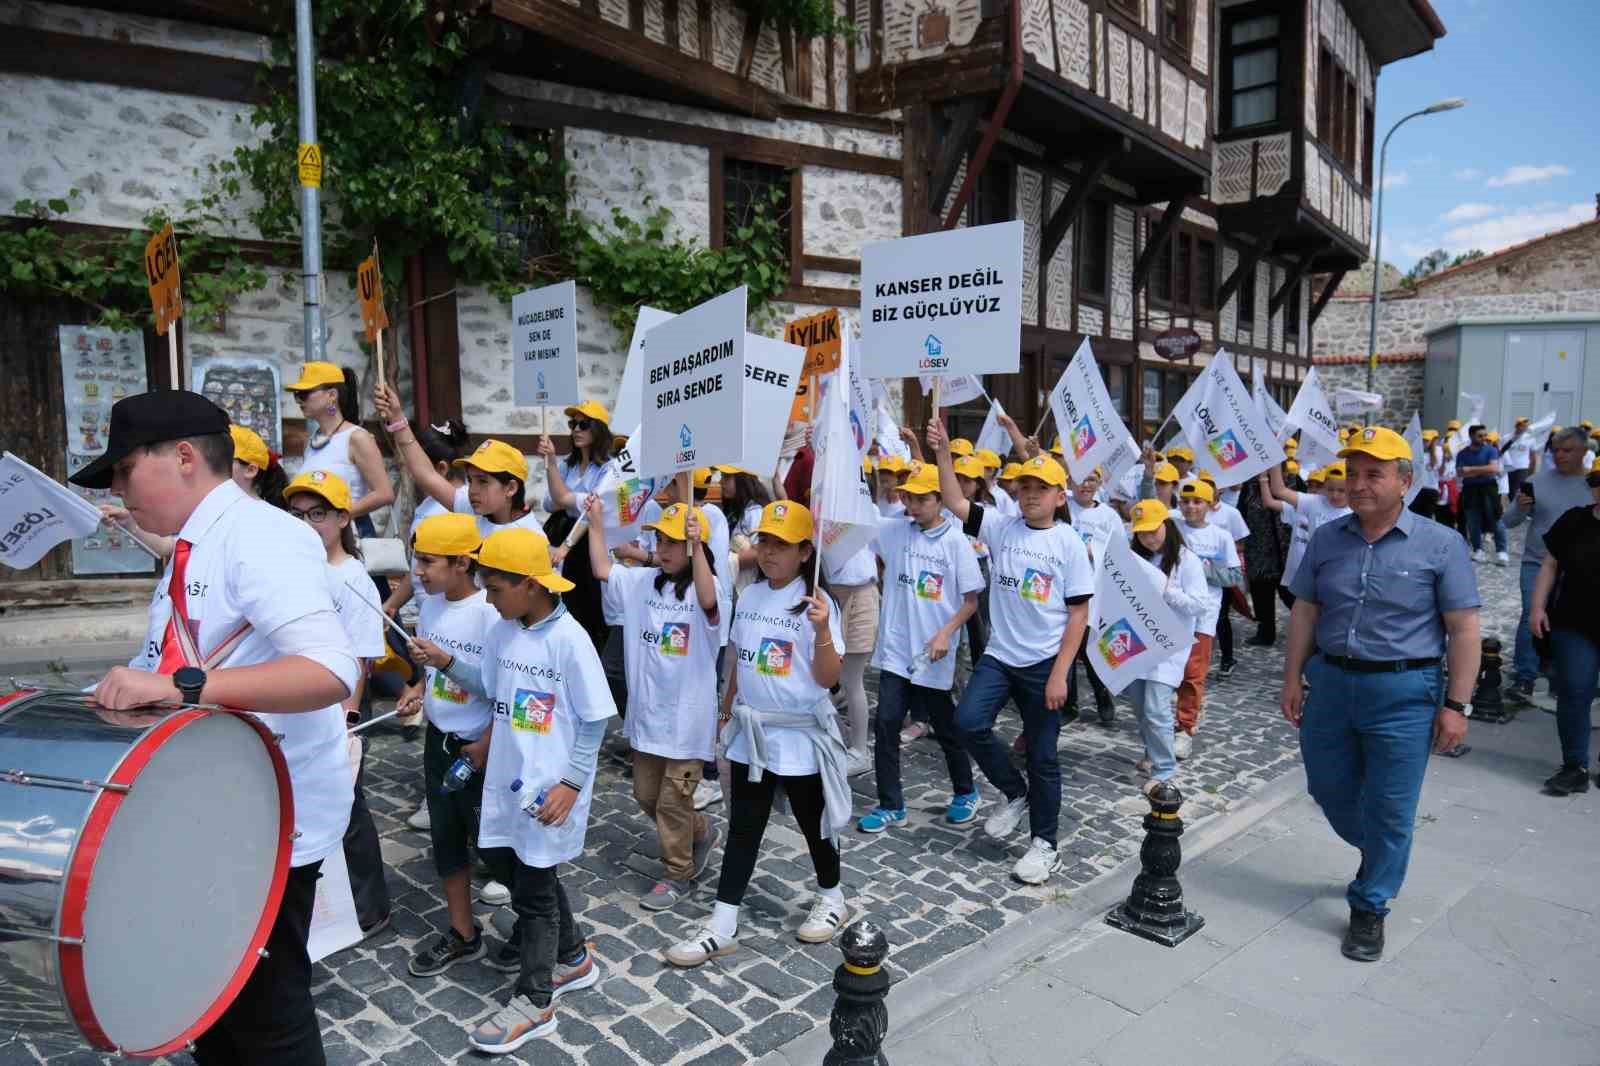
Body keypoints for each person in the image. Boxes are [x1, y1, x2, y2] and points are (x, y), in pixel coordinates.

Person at [76, 390, 359, 1065]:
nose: (117, 488)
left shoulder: (259, 536)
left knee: (266, 1016)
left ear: (180, 458)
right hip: (218, 810)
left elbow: (329, 669)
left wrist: (177, 688)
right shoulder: (194, 545)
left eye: (123, 470)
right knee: (213, 1008)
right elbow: (170, 660)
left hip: (267, 819)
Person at [1280, 426, 1481, 963]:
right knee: (1327, 786)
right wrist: (1291, 676)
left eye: (1374, 474)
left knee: (1392, 806)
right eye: (1353, 473)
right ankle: (1379, 851)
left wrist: (1457, 706)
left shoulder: (1442, 544)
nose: (1359, 484)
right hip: (1332, 685)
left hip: (1405, 692)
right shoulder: (1327, 538)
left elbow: (1463, 629)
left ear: (1406, 481)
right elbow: (1305, 609)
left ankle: (1370, 904)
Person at [664, 501, 852, 967]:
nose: (769, 553)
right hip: (753, 732)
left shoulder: (816, 606)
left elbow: (829, 678)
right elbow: (740, 664)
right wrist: (727, 712)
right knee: (745, 825)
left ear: (805, 552)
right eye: (764, 541)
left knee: (815, 822)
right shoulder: (749, 596)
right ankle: (723, 921)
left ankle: (832, 895)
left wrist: (824, 629)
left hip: (800, 735)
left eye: (782, 545)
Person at [929, 417, 1093, 886]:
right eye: (1023, 488)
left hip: (1045, 664)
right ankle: (1013, 793)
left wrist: (1062, 673)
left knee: (1044, 756)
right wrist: (941, 453)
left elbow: (1078, 615)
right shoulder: (1001, 528)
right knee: (967, 723)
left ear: (1060, 497)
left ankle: (1045, 844)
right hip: (1002, 655)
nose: (1029, 495)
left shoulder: (1068, 544)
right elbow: (957, 501)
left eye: (1040, 489)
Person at [468, 527, 612, 1054]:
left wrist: (571, 785)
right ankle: (573, 956)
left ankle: (537, 1000)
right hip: (506, 779)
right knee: (502, 859)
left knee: (532, 890)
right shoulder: (504, 629)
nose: (488, 596)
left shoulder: (569, 641)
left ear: (530, 585)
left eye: (496, 586)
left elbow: (595, 720)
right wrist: (442, 663)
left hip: (548, 789)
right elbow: (492, 690)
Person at [585, 497, 723, 909]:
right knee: (646, 795)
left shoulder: (709, 592)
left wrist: (698, 548)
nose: (662, 548)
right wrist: (595, 523)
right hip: (647, 719)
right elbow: (602, 569)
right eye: (659, 539)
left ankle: (677, 874)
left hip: (687, 723)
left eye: (673, 542)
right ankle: (699, 831)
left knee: (671, 801)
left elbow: (708, 600)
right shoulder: (643, 582)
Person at [282, 470, 392, 939]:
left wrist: (348, 723)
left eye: (319, 514)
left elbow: (362, 661)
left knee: (348, 806)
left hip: (339, 711)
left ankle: (371, 906)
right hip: (297, 704)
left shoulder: (354, 580)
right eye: (299, 515)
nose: (308, 524)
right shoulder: (290, 566)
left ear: (344, 518)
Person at [400, 513, 505, 977]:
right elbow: (429, 669)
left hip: (482, 748)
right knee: (445, 839)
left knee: (497, 846)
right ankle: (464, 933)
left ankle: (536, 929)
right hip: (438, 741)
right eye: (416, 560)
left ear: (462, 563)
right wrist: (418, 688)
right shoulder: (431, 605)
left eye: (427, 562)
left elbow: (501, 689)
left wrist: (485, 741)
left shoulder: (491, 614)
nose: (417, 572)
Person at [858, 463, 983, 834]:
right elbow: (857, 514)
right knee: (886, 725)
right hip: (897, 649)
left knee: (945, 726)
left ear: (940, 501)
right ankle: (890, 804)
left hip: (933, 653)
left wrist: (946, 633)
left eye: (922, 499)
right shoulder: (894, 530)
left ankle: (965, 791)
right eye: (908, 498)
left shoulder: (956, 541)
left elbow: (971, 600)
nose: (912, 506)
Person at [101, 422, 291, 557]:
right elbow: (169, 547)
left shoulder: (269, 524)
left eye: (223, 460)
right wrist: (128, 522)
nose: (208, 466)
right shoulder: (208, 514)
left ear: (251, 469)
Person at [1503, 427, 1594, 706]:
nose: (1560, 455)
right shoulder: (1537, 481)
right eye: (1556, 450)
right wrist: (1518, 506)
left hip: (1576, 568)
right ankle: (1525, 674)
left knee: (1566, 620)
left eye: (1567, 450)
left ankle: (1559, 674)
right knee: (1532, 613)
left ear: (1583, 452)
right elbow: (1509, 521)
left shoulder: (1592, 485)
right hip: (1536, 561)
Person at [1125, 499, 1208, 790]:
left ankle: (1164, 767)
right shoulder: (1136, 558)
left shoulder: (1188, 561)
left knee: (1155, 706)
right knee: (1138, 704)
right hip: (1138, 641)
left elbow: (1198, 604)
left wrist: (1166, 590)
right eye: (1142, 533)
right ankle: (1152, 749)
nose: (1148, 538)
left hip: (1168, 645)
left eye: (1153, 530)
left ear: (1167, 525)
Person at [1527, 467, 1600, 795]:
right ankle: (1575, 766)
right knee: (1575, 689)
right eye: (1597, 483)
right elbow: (1550, 565)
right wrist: (1537, 607)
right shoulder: (1574, 521)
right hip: (1574, 620)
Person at [538, 400, 616, 651]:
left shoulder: (609, 469)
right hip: (564, 538)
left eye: (584, 424)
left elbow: (584, 508)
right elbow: (550, 502)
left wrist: (551, 463)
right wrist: (572, 499)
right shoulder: (568, 465)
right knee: (564, 603)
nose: (576, 430)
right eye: (573, 424)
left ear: (599, 430)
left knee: (589, 608)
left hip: (589, 543)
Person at [1173, 480, 1241, 760]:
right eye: (1186, 502)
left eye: (1197, 502)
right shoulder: (1173, 529)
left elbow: (1235, 577)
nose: (1191, 507)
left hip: (1203, 615)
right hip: (1172, 612)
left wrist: (1202, 571)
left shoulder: (1221, 537)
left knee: (1193, 673)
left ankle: (1185, 727)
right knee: (1169, 673)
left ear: (1210, 505)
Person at [286, 362, 394, 534]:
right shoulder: (310, 441)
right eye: (297, 395)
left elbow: (384, 493)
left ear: (331, 395)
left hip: (350, 537)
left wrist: (337, 517)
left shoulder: (358, 437)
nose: (299, 400)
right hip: (315, 537)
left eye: (305, 394)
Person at [1065, 468, 1121, 723]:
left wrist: (1093, 551)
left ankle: (1102, 695)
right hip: (1062, 587)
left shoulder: (1108, 515)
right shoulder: (1062, 506)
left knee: (1089, 648)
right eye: (1079, 478)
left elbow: (1120, 551)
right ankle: (1069, 704)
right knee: (1063, 646)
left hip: (1092, 591)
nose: (1084, 485)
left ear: (1098, 483)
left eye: (1090, 480)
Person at [1261, 460, 1351, 598]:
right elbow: (1279, 490)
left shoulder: (1357, 510)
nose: (1335, 495)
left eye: (1341, 491)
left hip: (1341, 577)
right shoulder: (1315, 502)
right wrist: (1275, 456)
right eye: (1330, 489)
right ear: (1325, 486)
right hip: (1313, 575)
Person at [1235, 470, 1288, 645]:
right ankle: (1265, 633)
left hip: (1286, 552)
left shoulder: (1292, 481)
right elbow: (1241, 514)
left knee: (1292, 596)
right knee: (1261, 595)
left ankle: (1309, 632)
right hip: (1258, 550)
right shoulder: (1250, 484)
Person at [1455, 424, 1507, 564]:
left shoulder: (1491, 450)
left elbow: (1493, 468)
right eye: (1480, 435)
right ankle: (1478, 550)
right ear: (1471, 436)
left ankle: (1502, 551)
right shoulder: (1463, 453)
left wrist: (1470, 470)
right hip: (1470, 489)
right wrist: (1483, 470)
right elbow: (1460, 472)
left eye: (1485, 435)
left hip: (1488, 488)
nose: (1484, 438)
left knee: (1496, 518)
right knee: (1472, 520)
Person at [1502, 417, 1536, 500]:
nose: (1524, 428)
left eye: (1525, 426)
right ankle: (1513, 508)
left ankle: (1519, 509)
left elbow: (1533, 456)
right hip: (1509, 468)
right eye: (1522, 426)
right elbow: (1501, 452)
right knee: (1510, 492)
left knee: (1519, 491)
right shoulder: (1507, 437)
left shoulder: (1530, 438)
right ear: (1517, 426)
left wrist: (1532, 471)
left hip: (1522, 468)